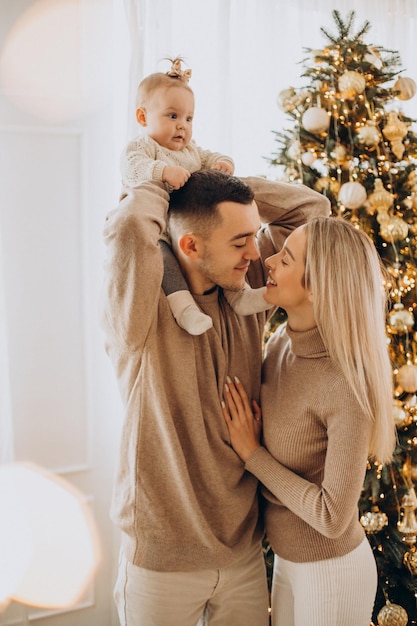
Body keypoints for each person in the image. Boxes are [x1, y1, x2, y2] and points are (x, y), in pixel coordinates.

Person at [101, 169, 330, 626]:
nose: (258, 253)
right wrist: (159, 179)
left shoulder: (245, 292)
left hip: (244, 552)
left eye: (255, 236)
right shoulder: (141, 307)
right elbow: (128, 227)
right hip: (163, 559)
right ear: (190, 247)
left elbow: (313, 213)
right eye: (240, 240)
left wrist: (203, 173)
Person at [221, 216, 397, 626]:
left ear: (318, 289)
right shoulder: (281, 340)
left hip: (332, 570)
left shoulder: (344, 384)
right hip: (286, 559)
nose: (270, 262)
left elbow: (333, 517)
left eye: (287, 258)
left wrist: (252, 453)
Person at [121, 57, 271, 336]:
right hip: (159, 231)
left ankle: (241, 296)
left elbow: (208, 156)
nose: (182, 126)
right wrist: (163, 171)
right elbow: (132, 170)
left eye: (189, 118)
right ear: (143, 117)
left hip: (188, 222)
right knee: (165, 265)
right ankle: (184, 309)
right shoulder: (143, 147)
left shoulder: (190, 150)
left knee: (222, 255)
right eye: (173, 116)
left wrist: (223, 163)